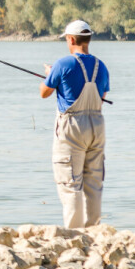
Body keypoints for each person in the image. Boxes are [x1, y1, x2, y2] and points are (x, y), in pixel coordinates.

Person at [39, 20, 110, 229]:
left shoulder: (62, 64)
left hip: (72, 127)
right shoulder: (101, 66)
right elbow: (102, 95)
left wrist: (49, 75)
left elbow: (44, 93)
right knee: (94, 182)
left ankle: (75, 236)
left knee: (70, 184)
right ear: (88, 39)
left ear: (71, 39)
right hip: (97, 124)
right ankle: (94, 231)